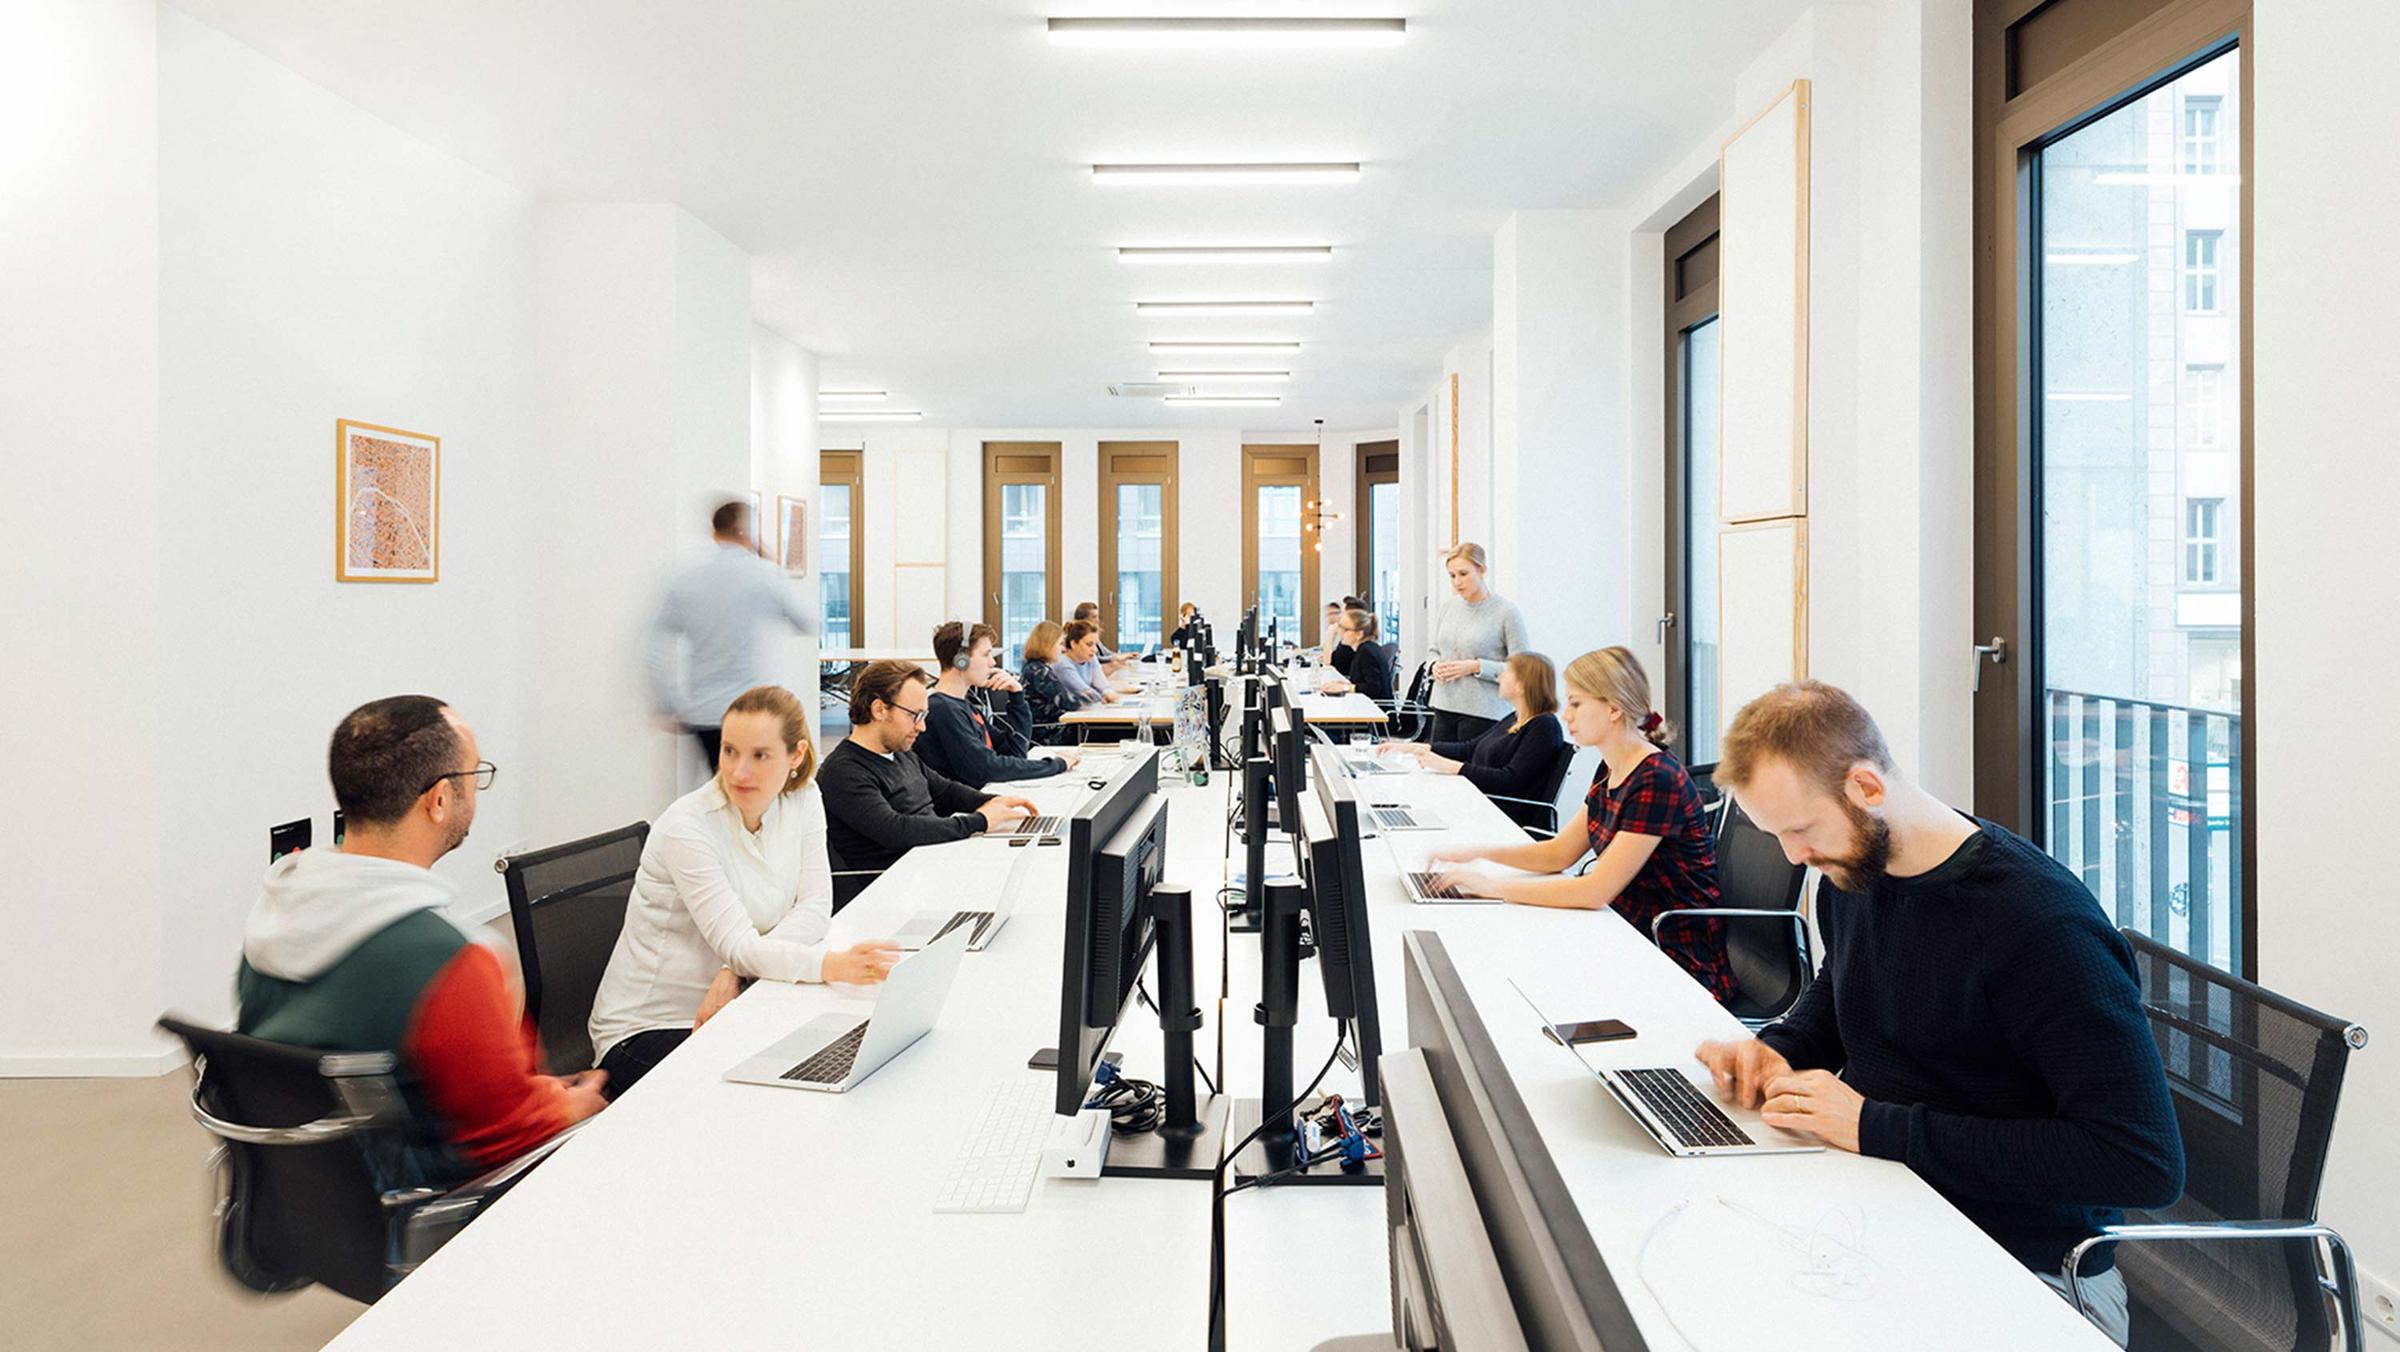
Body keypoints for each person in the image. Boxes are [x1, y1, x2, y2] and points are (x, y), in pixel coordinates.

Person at [1692, 682, 2182, 1346]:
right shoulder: (1856, 876)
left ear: (1866, 787)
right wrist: (1780, 1049)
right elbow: (1844, 989)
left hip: (2026, 1268)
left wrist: (1876, 1127)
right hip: (1890, 1209)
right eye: (1776, 834)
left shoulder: (2040, 926)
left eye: (1800, 830)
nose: (1793, 857)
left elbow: (2140, 1160)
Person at [237, 697, 605, 1183]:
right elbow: (511, 1135)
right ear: (438, 800)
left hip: (300, 1201)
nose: (477, 791)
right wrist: (574, 1105)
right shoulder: (452, 960)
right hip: (423, 1210)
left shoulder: (275, 911)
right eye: (474, 776)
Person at [587, 686, 904, 1098]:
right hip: (648, 1030)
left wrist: (735, 970)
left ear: (796, 755)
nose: (738, 772)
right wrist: (829, 965)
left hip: (739, 1001)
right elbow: (737, 944)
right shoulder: (688, 827)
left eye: (760, 755)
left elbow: (814, 907)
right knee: (782, 1088)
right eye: (729, 751)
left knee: (838, 1057)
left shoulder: (804, 797)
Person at [1428, 648, 1733, 1003]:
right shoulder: (1610, 769)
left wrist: (1490, 887)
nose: (1565, 714)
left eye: (1575, 703)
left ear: (1613, 708)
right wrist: (1478, 853)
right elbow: (1559, 853)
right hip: (1621, 931)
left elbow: (1594, 891)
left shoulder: (1656, 779)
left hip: (1672, 956)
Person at [817, 660, 1037, 906]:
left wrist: (994, 802)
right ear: (879, 710)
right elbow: (896, 830)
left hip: (931, 870)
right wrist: (981, 821)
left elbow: (944, 790)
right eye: (915, 715)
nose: (922, 727)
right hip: (895, 896)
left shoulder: (899, 751)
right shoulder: (843, 771)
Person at [644, 498, 818, 772]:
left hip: (704, 711)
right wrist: (770, 562)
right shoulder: (763, 574)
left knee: (719, 791)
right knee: (754, 792)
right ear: (749, 533)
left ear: (714, 532)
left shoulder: (685, 577)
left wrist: (668, 703)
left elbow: (653, 649)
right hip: (756, 710)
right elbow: (809, 621)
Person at [1383, 652, 1566, 816]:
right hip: (1480, 800)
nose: (1499, 677)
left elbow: (1510, 780)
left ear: (1522, 685)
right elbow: (1470, 749)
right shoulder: (1515, 717)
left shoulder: (1544, 726)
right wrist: (1415, 747)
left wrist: (1451, 766)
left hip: (1500, 814)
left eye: (1506, 673)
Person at [919, 620, 1077, 784]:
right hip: (965, 807)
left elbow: (1015, 752)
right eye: (986, 655)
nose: (993, 663)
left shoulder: (965, 706)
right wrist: (1055, 765)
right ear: (961, 660)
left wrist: (1017, 697)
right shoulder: (942, 710)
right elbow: (987, 768)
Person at [1424, 541, 1529, 744]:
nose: (1457, 582)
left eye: (1463, 574)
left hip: (1485, 713)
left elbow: (1523, 668)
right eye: (1452, 576)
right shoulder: (1448, 607)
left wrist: (1476, 666)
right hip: (1444, 706)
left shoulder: (1506, 612)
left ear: (1482, 570)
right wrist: (1433, 666)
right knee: (1438, 770)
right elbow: (1434, 650)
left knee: (1472, 773)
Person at [1321, 607, 1396, 704]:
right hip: (1368, 707)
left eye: (1345, 629)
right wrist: (1344, 685)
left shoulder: (1366, 652)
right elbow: (1364, 683)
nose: (1340, 633)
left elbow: (1374, 688)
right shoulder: (1364, 649)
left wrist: (1345, 687)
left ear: (1359, 634)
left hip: (1376, 713)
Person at [1018, 621, 1078, 741]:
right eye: (1060, 644)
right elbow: (1068, 703)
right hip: (1048, 734)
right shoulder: (1039, 672)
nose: (1063, 649)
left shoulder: (1034, 667)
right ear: (1048, 644)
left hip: (1047, 729)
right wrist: (1092, 699)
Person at [1051, 619, 1127, 707]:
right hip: (1068, 715)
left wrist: (1109, 693)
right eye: (1089, 644)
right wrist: (1103, 696)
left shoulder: (1091, 658)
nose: (1094, 650)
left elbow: (1103, 685)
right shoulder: (1062, 664)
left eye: (1095, 644)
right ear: (1073, 644)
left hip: (1085, 710)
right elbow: (1086, 692)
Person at [1071, 601, 1141, 672]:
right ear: (1083, 620)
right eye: (1094, 617)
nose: (1097, 620)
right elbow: (1097, 658)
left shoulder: (1093, 635)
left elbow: (1106, 653)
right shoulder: (1080, 638)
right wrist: (1116, 659)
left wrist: (1125, 656)